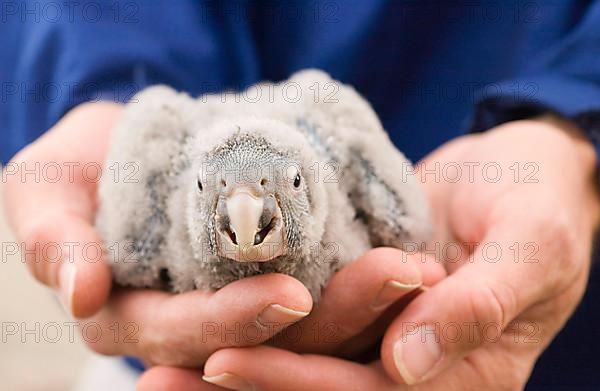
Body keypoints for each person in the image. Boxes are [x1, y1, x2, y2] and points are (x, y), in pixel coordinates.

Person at [2, 1, 600, 389]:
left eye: (283, 187)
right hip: (165, 370)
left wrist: (573, 122)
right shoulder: (160, 157)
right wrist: (103, 86)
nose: (246, 210)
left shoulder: (332, 128)